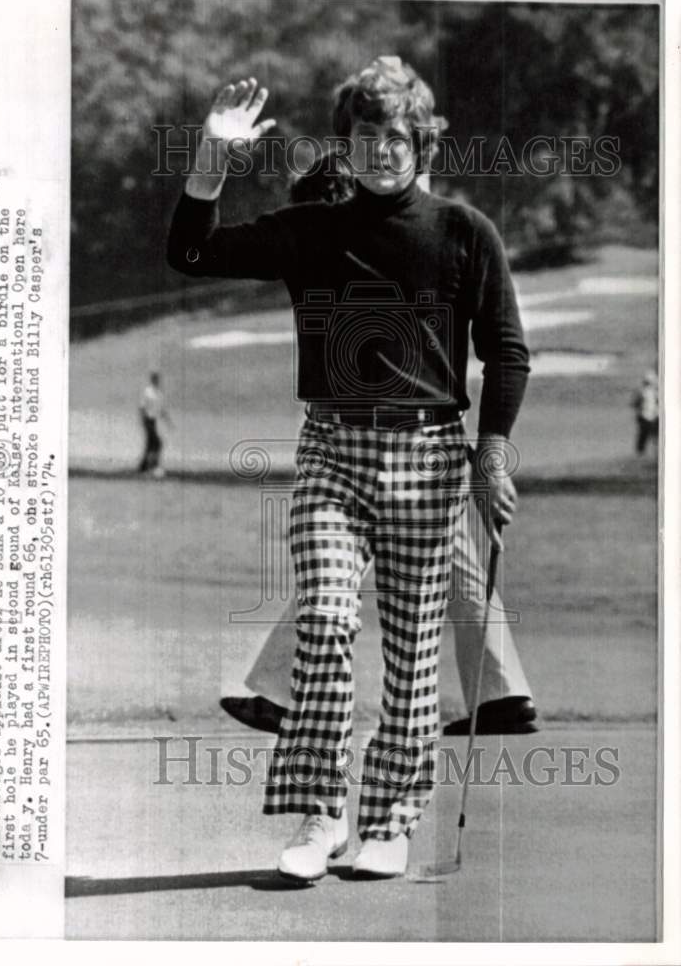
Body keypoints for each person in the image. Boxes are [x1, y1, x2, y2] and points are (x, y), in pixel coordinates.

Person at [167, 57, 530, 882]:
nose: (379, 152)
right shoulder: (312, 228)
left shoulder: (463, 230)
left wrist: (493, 454)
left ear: (422, 141)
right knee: (326, 619)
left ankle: (389, 821)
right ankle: (319, 814)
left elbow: (504, 351)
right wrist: (210, 160)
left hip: (432, 457)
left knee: (411, 652)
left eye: (395, 137)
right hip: (333, 450)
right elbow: (191, 254)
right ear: (348, 144)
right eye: (364, 137)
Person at [221, 155, 537, 740]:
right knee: (438, 557)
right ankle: (500, 692)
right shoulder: (412, 234)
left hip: (384, 436)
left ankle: (282, 688)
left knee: (337, 575)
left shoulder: (376, 240)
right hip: (427, 433)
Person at [138, 370, 171, 478]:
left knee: (150, 444)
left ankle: (143, 467)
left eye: (158, 380)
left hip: (153, 421)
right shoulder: (148, 392)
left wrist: (168, 422)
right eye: (155, 379)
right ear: (152, 380)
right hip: (147, 420)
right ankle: (154, 466)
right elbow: (142, 407)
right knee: (157, 443)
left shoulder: (159, 393)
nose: (157, 381)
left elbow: (161, 410)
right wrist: (142, 420)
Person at [631, 369, 659, 456]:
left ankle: (649, 451)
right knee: (645, 434)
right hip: (645, 416)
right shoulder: (642, 391)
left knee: (651, 434)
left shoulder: (654, 391)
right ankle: (641, 451)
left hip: (652, 415)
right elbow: (635, 403)